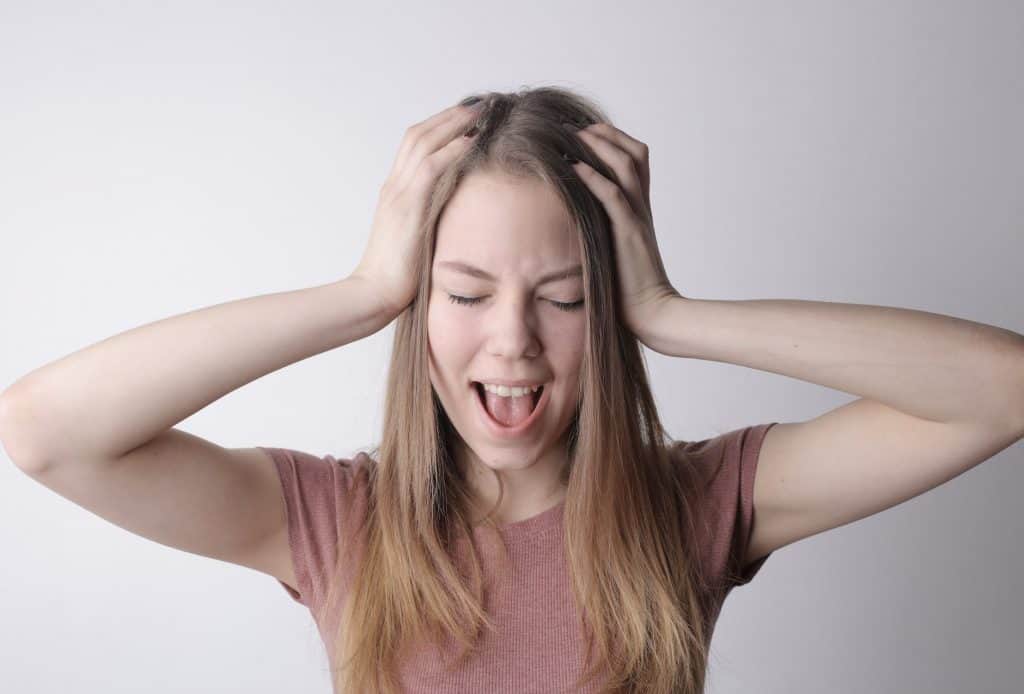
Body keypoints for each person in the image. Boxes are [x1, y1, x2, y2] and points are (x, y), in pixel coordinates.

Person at [3, 87, 1023, 694]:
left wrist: (670, 314)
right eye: (462, 291)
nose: (512, 342)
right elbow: (44, 431)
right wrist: (360, 293)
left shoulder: (695, 505)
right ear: (418, 306)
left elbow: (1002, 389)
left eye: (566, 298)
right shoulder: (331, 521)